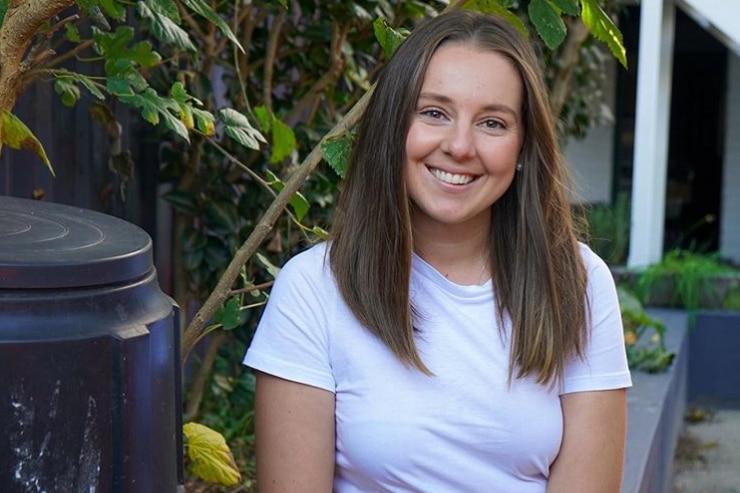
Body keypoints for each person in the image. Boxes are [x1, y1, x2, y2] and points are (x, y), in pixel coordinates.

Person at [243, 9, 632, 492]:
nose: (461, 146)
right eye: (434, 113)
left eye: (492, 122)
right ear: (392, 125)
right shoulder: (314, 289)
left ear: (523, 147)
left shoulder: (578, 281)